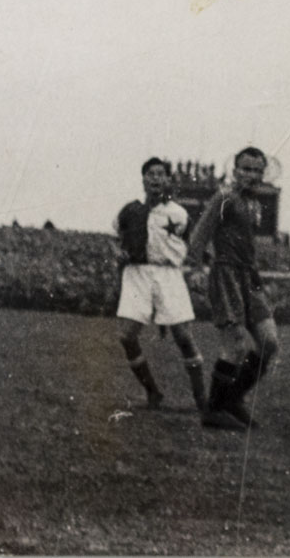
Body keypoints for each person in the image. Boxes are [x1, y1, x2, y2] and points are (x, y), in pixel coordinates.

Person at [187, 147, 280, 431]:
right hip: (226, 275)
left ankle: (233, 399)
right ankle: (214, 410)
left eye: (257, 170)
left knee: (268, 343)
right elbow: (200, 233)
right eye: (246, 169)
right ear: (235, 170)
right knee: (236, 345)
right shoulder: (224, 197)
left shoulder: (254, 204)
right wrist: (194, 267)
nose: (251, 175)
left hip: (249, 278)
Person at [113, 157, 206, 412]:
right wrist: (119, 253)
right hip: (137, 274)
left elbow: (195, 244)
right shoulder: (129, 211)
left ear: (168, 180)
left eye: (160, 174)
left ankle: (202, 400)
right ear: (143, 179)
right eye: (150, 174)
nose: (155, 178)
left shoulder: (178, 213)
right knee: (126, 335)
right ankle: (153, 393)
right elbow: (117, 240)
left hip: (169, 274)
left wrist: (197, 270)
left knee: (184, 337)